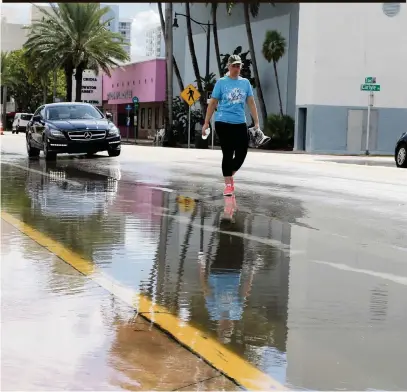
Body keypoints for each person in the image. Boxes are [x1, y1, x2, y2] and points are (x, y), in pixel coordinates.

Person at [203, 54, 260, 196]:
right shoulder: (221, 83)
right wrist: (206, 123)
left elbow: (251, 103)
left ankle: (229, 173)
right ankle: (228, 184)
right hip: (223, 122)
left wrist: (257, 122)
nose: (236, 68)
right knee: (227, 153)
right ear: (228, 66)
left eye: (238, 65)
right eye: (234, 65)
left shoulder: (245, 83)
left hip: (240, 122)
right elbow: (213, 103)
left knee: (242, 152)